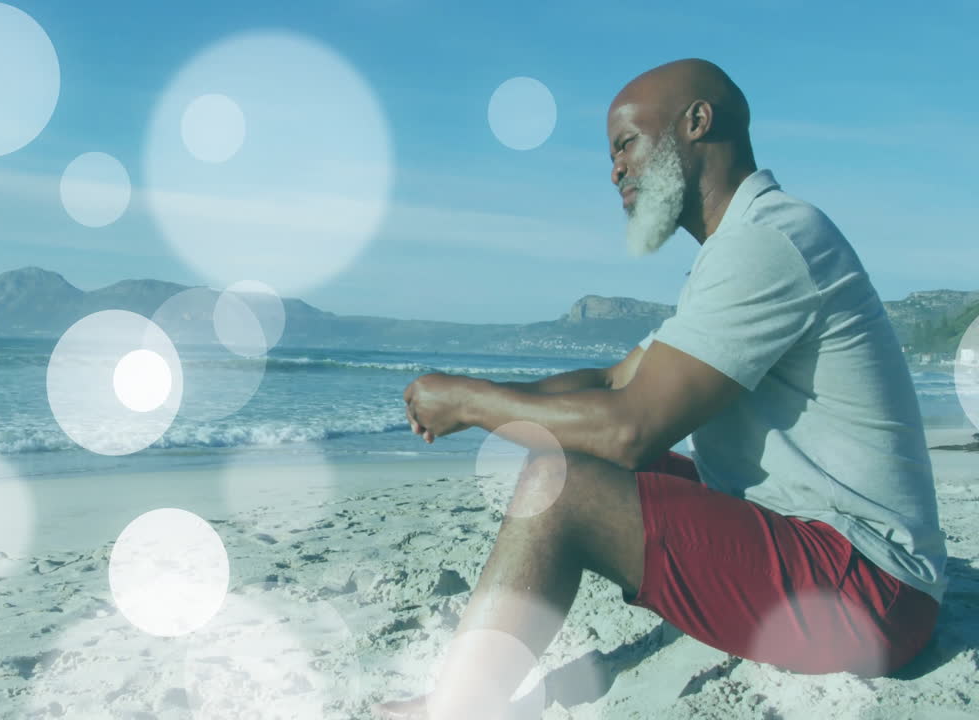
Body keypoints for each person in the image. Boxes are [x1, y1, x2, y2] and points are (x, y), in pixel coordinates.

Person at [373, 58, 946, 719]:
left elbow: (629, 429)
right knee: (567, 452)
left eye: (626, 144)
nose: (614, 170)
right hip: (825, 548)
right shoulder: (740, 244)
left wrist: (471, 404)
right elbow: (614, 380)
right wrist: (474, 392)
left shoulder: (769, 241)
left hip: (873, 592)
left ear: (697, 122)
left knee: (561, 488)